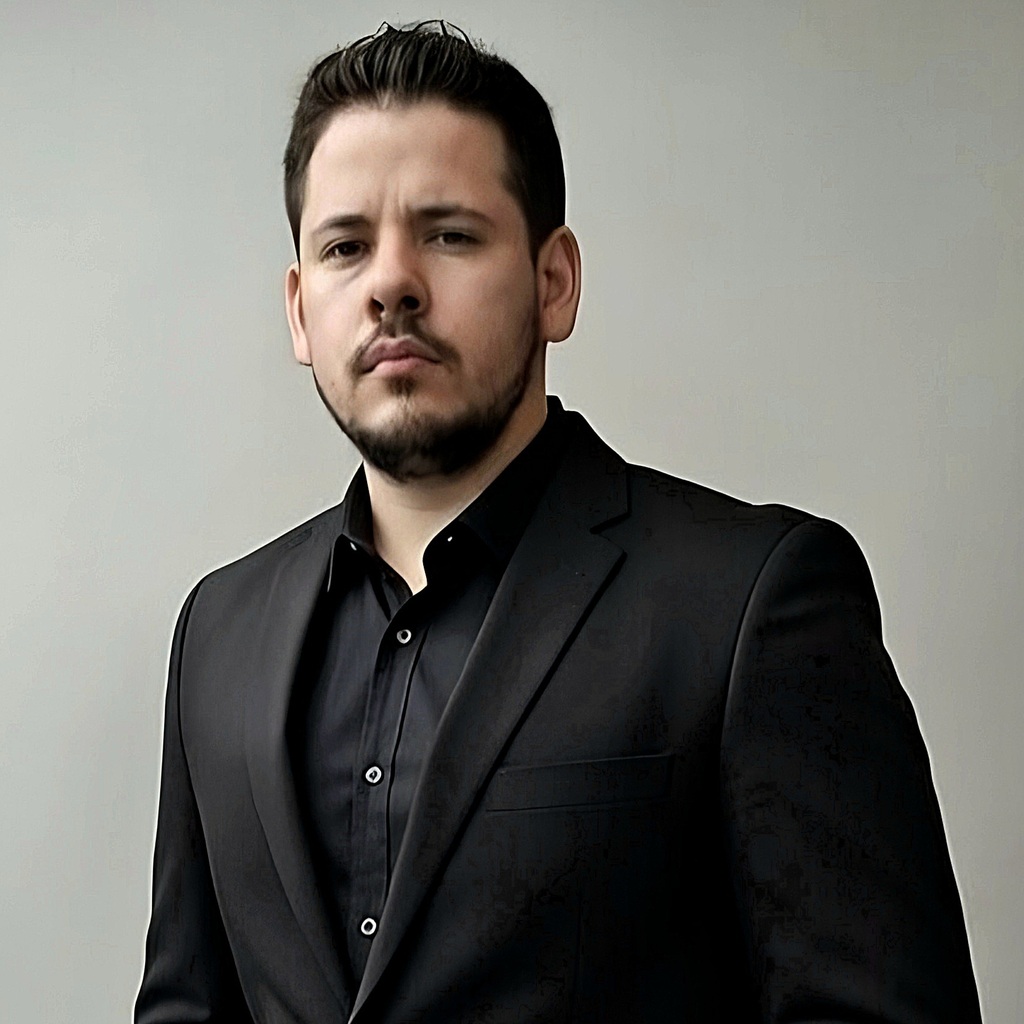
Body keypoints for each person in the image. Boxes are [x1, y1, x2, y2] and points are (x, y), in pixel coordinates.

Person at [135, 21, 981, 1024]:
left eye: (449, 234)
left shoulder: (750, 603)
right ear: (298, 310)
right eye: (345, 246)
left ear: (555, 282)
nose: (391, 282)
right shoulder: (217, 633)